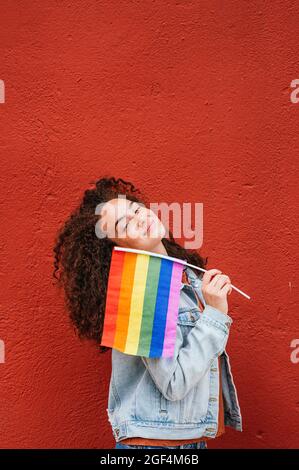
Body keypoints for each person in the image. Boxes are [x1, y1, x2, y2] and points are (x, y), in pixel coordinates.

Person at [53, 176, 242, 450]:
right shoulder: (138, 292)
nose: (140, 219)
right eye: (124, 224)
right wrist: (214, 315)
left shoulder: (186, 276)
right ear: (114, 250)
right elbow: (174, 384)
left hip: (187, 441)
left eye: (136, 210)